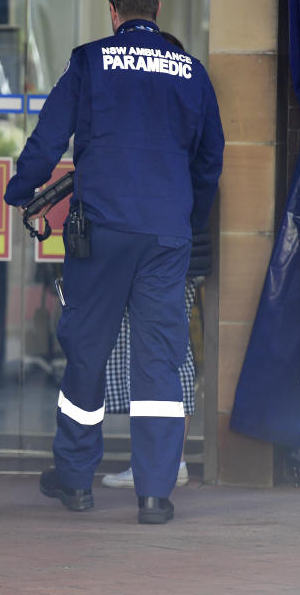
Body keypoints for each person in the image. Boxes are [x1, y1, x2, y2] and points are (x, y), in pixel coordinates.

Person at [3, 0, 224, 524]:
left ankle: (76, 481)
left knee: (87, 351)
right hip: (166, 233)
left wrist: (21, 188)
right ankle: (154, 494)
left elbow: (49, 135)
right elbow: (210, 158)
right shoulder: (191, 72)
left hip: (100, 232)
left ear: (112, 8)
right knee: (159, 359)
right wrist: (189, 218)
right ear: (158, 6)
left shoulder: (89, 61)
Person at [101, 32, 208, 490]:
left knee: (165, 355)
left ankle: (166, 463)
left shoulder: (167, 116)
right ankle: (160, 461)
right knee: (156, 354)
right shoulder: (187, 106)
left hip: (169, 252)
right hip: (177, 249)